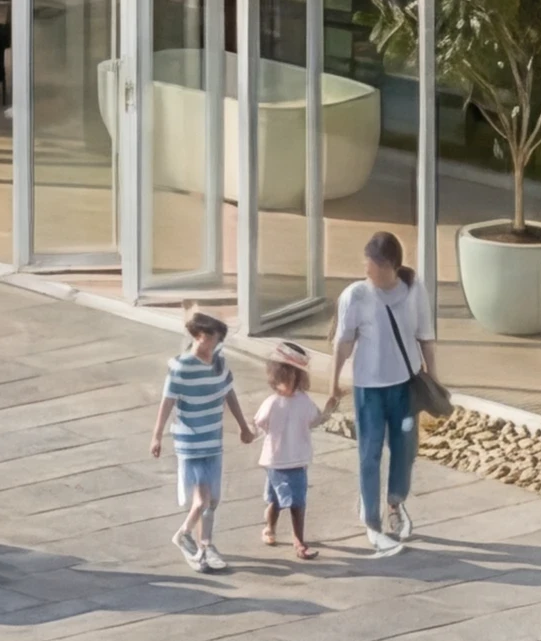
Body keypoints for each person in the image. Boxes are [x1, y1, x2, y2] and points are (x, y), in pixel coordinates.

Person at [328, 229, 435, 556]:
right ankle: (372, 518)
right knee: (370, 452)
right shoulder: (355, 295)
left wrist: (434, 380)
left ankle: (395, 503)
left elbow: (425, 336)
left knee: (405, 448)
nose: (366, 270)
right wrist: (333, 384)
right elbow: (343, 342)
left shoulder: (414, 290)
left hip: (403, 388)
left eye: (371, 265)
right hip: (368, 392)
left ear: (389, 265)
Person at [152, 308, 250, 572]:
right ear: (199, 336)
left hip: (213, 439)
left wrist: (243, 426)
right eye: (213, 339)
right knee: (202, 499)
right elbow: (168, 401)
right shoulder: (181, 367)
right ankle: (186, 537)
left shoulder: (219, 363)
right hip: (190, 441)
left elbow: (229, 394)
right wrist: (157, 435)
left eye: (219, 340)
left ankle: (205, 545)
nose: (215, 345)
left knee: (212, 499)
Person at [252, 342, 323, 559]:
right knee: (283, 501)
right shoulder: (272, 403)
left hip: (296, 460)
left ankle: (293, 538)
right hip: (277, 461)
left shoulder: (303, 401)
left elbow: (315, 418)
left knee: (292, 501)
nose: (289, 383)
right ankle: (281, 532)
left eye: (294, 377)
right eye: (285, 377)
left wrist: (329, 407)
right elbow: (259, 423)